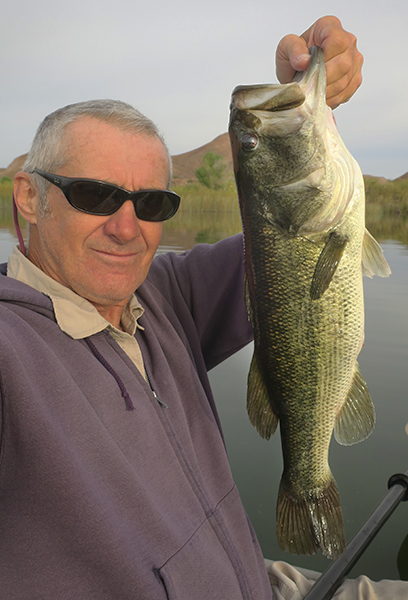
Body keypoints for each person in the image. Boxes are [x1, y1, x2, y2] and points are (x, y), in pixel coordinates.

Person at [1, 14, 406, 599]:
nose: (125, 226)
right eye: (94, 195)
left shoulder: (165, 295)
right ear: (29, 198)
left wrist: (302, 103)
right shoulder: (12, 353)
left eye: (151, 203)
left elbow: (286, 240)